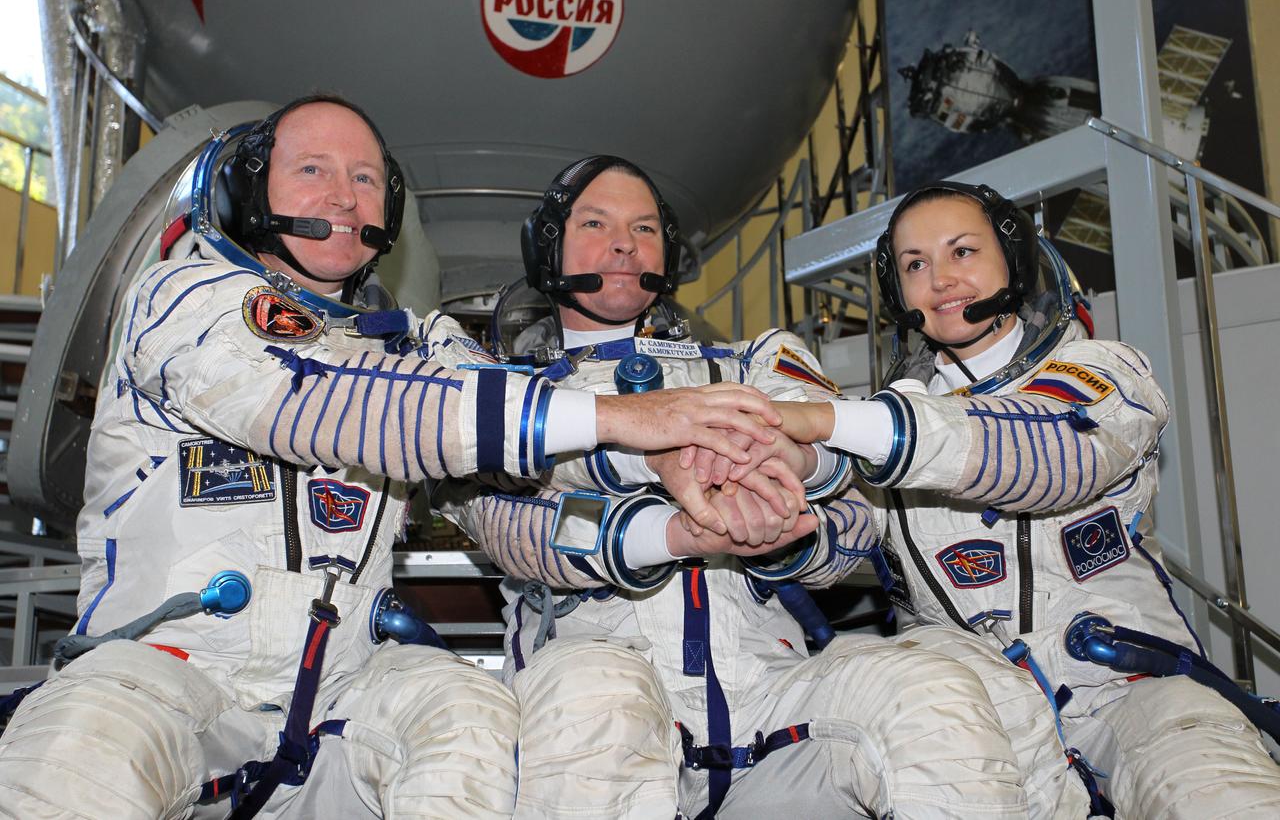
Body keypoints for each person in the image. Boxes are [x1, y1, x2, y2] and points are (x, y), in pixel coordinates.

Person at [0, 98, 785, 820]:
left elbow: (515, 441)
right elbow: (327, 403)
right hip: (170, 672)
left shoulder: (420, 343)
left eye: (366, 177)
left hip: (343, 686)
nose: (344, 195)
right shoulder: (183, 299)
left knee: (468, 718)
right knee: (81, 750)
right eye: (314, 170)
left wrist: (669, 459)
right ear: (245, 194)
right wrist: (625, 417)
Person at [437, 157, 1050, 819]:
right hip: (602, 703)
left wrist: (786, 522)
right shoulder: (500, 395)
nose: (623, 243)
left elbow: (851, 512)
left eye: (643, 226)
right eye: (595, 222)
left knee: (929, 692)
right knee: (596, 695)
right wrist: (664, 508)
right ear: (546, 243)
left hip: (768, 696)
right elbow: (520, 526)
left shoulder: (753, 364)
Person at [772, 180, 1280, 818]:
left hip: (1133, 695)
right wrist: (776, 512)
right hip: (980, 724)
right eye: (915, 265)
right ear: (897, 292)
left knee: (1218, 795)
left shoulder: (1104, 374)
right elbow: (834, 544)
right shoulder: (878, 429)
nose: (941, 279)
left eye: (963, 251)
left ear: (1011, 262)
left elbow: (1048, 455)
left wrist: (831, 422)